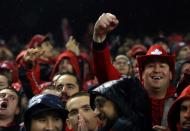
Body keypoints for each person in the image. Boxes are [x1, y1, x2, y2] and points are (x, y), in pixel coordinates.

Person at [91, 13, 176, 130]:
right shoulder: (128, 93)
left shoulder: (182, 99)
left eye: (162, 66)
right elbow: (105, 73)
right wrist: (99, 38)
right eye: (151, 66)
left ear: (171, 74)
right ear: (141, 74)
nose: (157, 70)